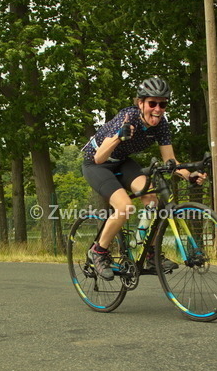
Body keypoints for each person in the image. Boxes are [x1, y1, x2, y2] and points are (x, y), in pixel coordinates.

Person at [80, 78, 206, 280]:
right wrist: (119, 136)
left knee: (152, 201)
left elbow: (171, 161)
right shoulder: (128, 117)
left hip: (122, 162)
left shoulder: (162, 125)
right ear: (141, 103)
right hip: (96, 164)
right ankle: (98, 252)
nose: (157, 109)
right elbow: (99, 157)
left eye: (162, 104)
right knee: (124, 207)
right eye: (152, 103)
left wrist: (189, 175)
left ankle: (149, 254)